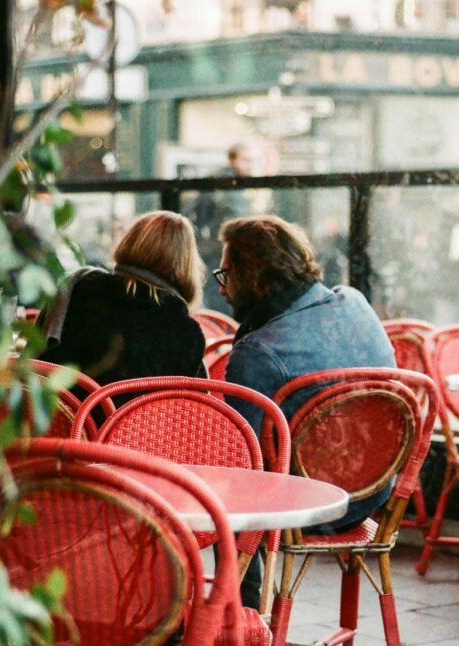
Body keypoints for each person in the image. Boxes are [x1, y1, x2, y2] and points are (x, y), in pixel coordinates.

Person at [217, 215, 396, 608]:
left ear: (254, 277)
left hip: (311, 508)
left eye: (227, 274)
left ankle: (236, 628)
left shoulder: (259, 351)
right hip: (376, 492)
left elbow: (238, 457)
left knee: (227, 496)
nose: (223, 289)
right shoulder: (355, 302)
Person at [35, 210, 207, 385]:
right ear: (187, 263)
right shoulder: (186, 331)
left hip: (67, 410)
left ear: (130, 241)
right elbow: (193, 405)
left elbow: (38, 358)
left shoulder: (79, 288)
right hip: (140, 413)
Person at [186, 142, 259, 313]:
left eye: (253, 161)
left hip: (212, 248)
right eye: (246, 160)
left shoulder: (222, 181)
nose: (251, 166)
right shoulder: (229, 184)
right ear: (231, 160)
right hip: (220, 249)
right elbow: (237, 220)